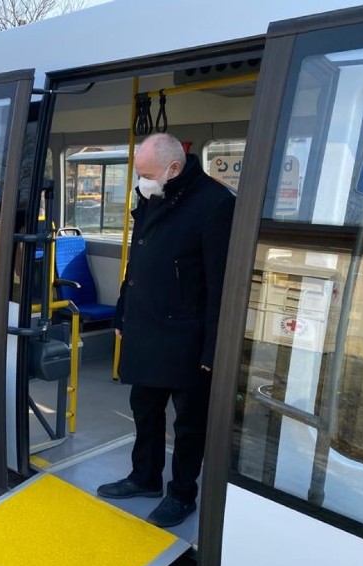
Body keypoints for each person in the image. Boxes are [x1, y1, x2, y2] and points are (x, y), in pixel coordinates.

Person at [97, 133, 235, 528]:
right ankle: (145, 477)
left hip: (187, 338)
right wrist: (123, 313)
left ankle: (182, 494)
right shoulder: (153, 195)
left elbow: (220, 284)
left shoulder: (215, 204)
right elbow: (136, 261)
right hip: (146, 328)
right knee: (145, 408)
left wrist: (213, 350)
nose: (142, 181)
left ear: (174, 168)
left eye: (147, 173)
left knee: (189, 422)